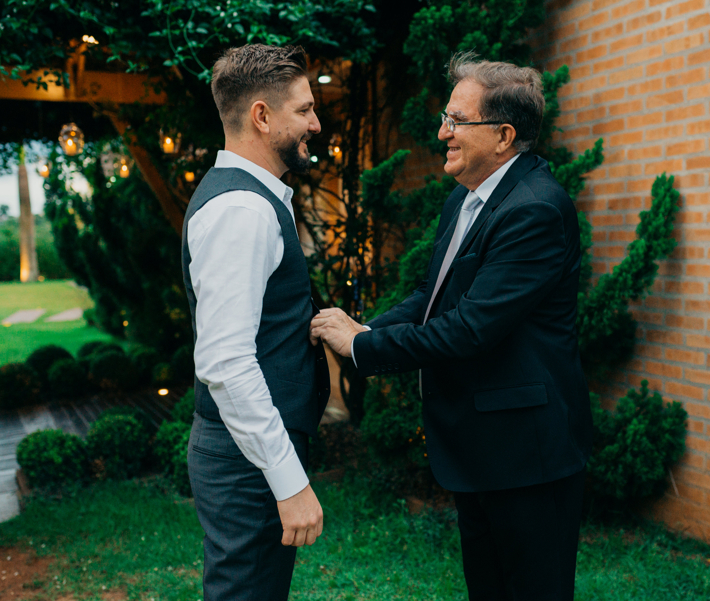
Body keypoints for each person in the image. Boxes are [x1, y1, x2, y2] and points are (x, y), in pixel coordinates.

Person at [310, 54, 593, 601]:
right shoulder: (464, 199)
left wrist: (365, 347)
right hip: (481, 448)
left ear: (505, 135)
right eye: (447, 116)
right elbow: (430, 297)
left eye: (458, 120)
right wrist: (365, 328)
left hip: (526, 455)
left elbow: (468, 329)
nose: (443, 131)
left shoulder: (534, 210)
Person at [182, 44, 330, 601]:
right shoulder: (242, 211)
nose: (316, 123)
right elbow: (225, 362)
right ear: (262, 116)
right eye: (304, 109)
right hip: (246, 461)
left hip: (246, 450)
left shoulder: (256, 201)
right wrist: (288, 481)